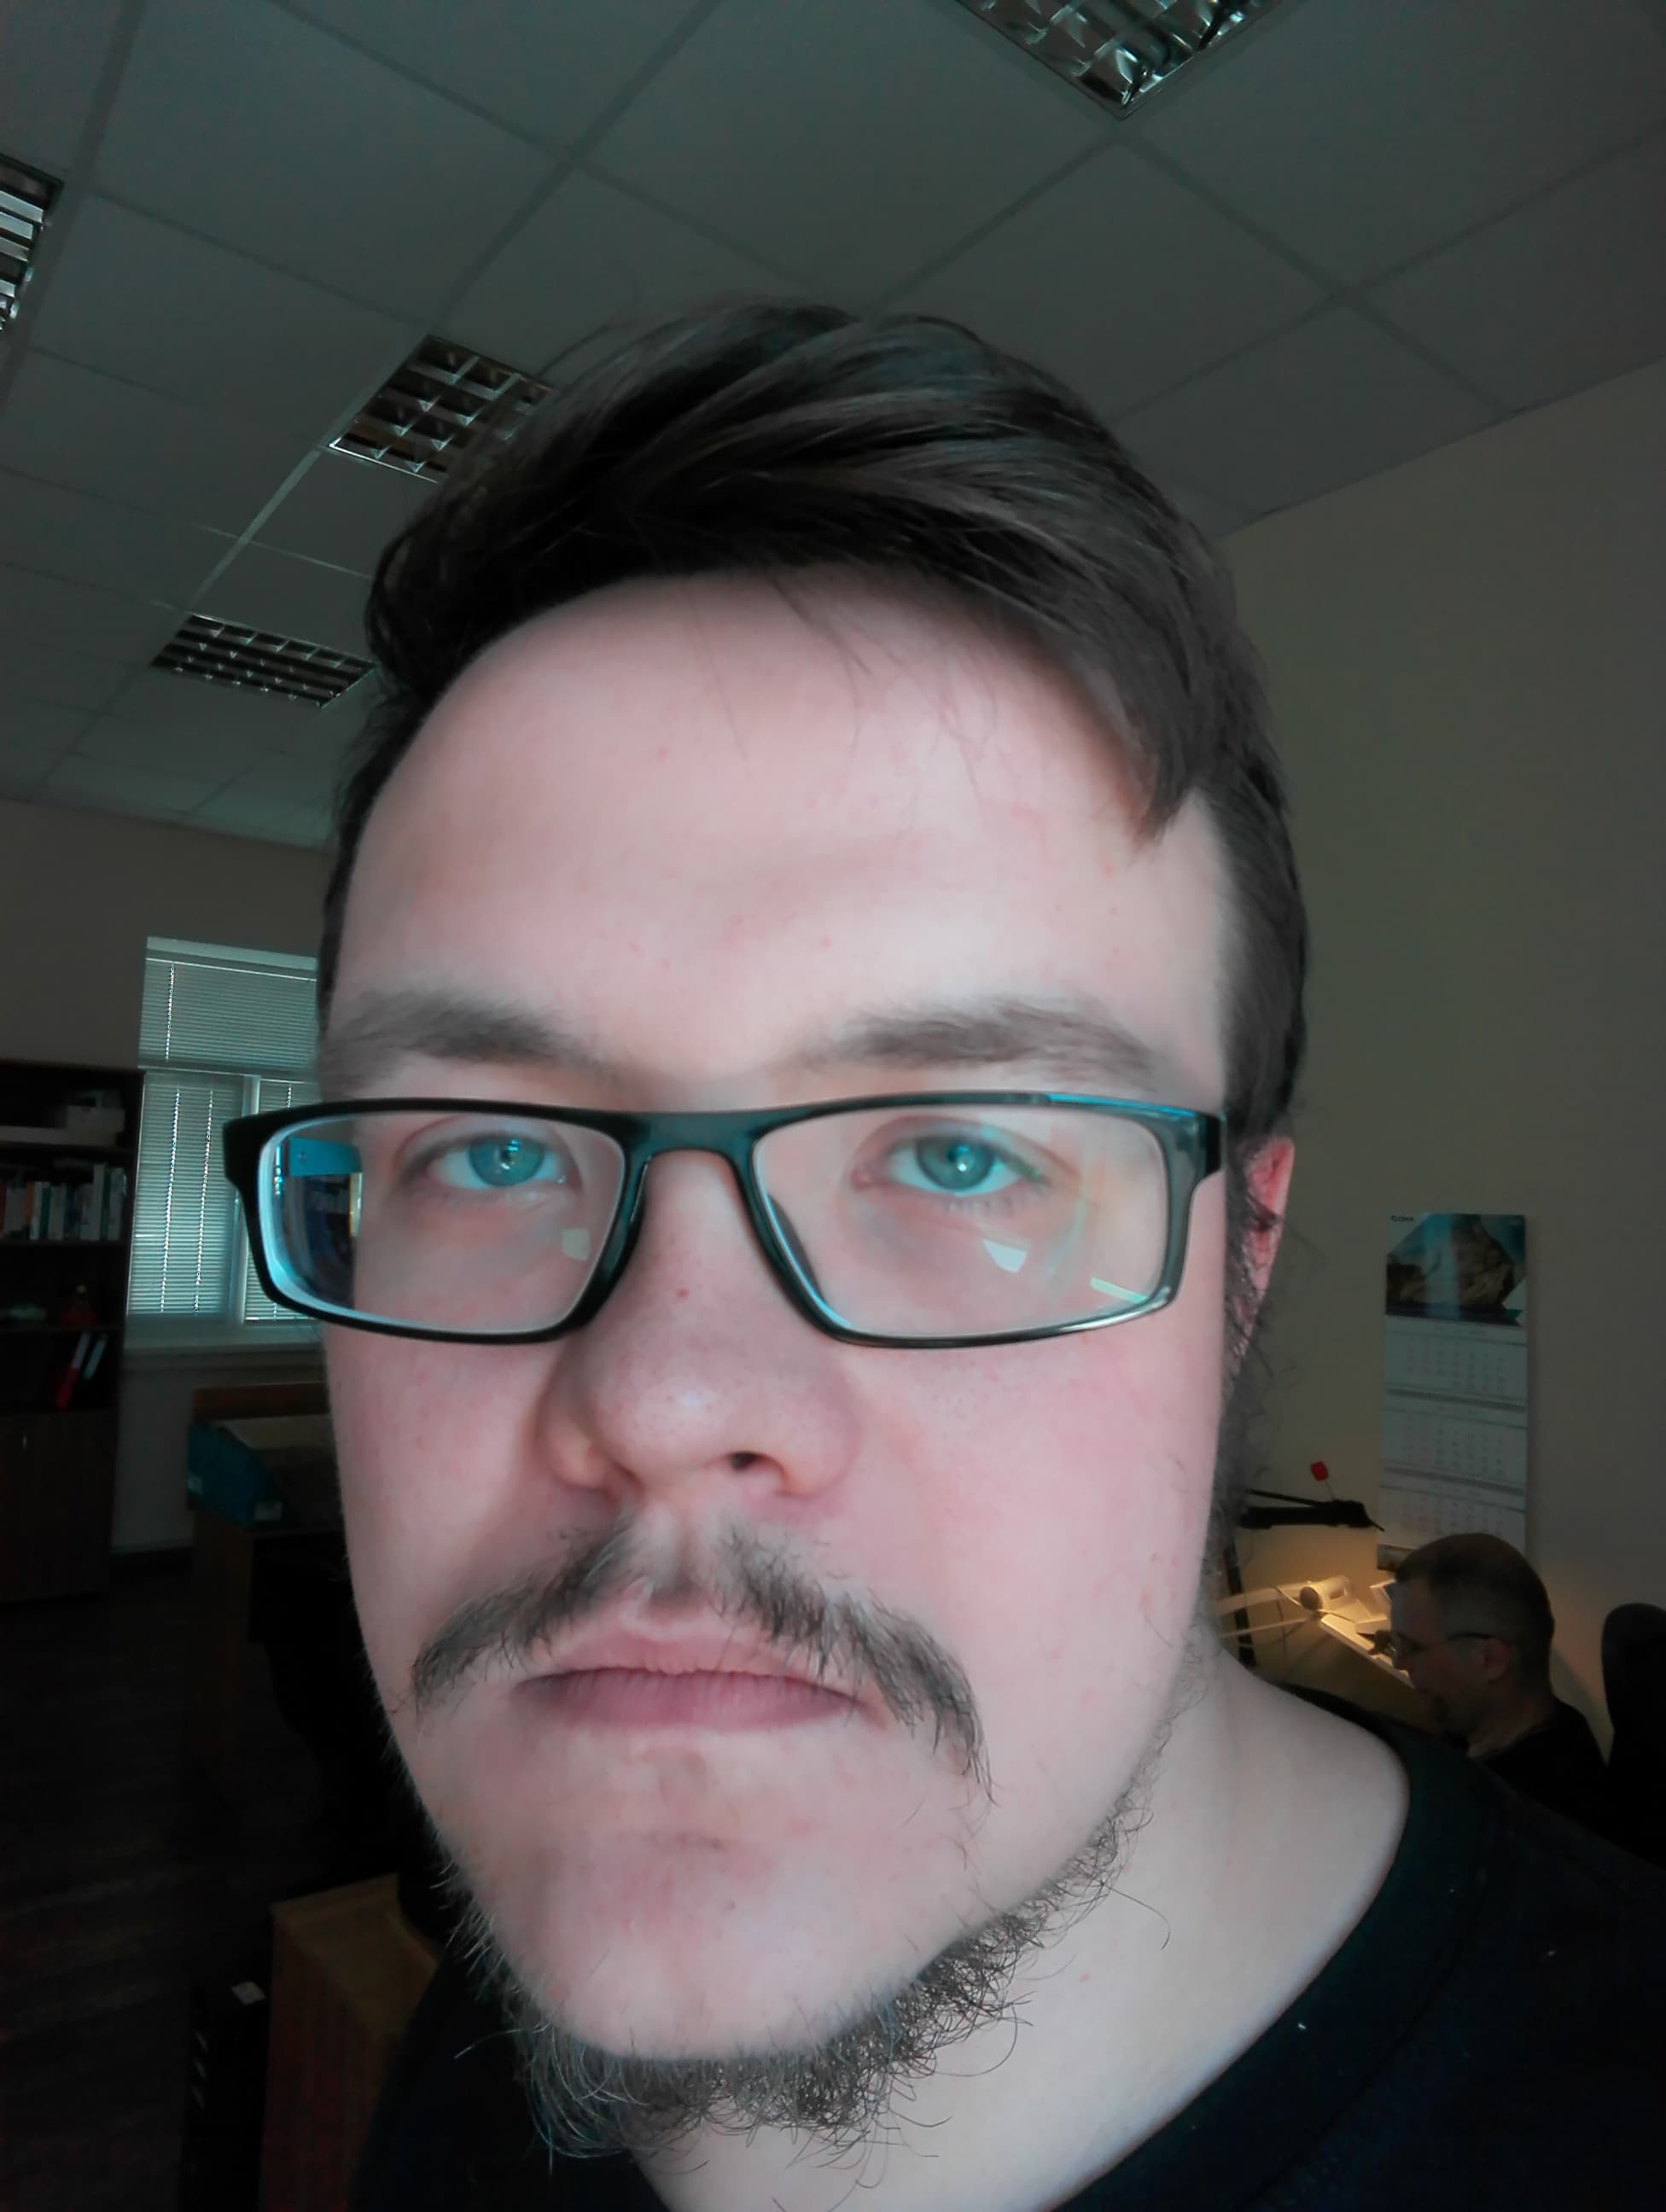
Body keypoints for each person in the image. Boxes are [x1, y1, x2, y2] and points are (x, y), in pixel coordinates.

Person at [221, 306, 1665, 2211]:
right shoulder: (470, 2053)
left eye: (960, 1152)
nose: (664, 1398)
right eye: (488, 1152)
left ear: (1241, 1260)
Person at [1389, 1532, 1615, 1838]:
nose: (1399, 1662)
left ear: (1490, 1660)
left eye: (1410, 1647)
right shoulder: (1482, 1731)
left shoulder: (1522, 1819)